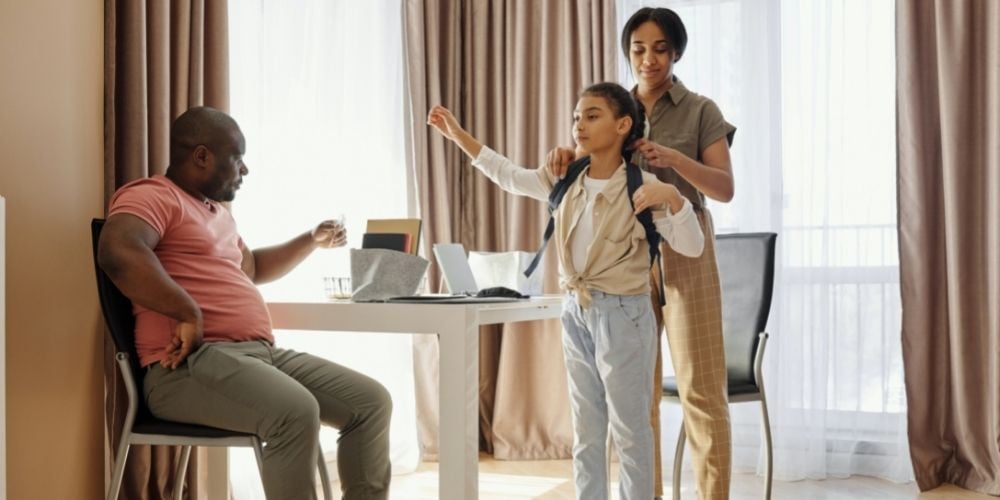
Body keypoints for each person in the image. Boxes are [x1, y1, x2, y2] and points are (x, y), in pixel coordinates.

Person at [98, 106, 392, 500]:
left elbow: (250, 267)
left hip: (257, 356)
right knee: (295, 411)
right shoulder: (154, 195)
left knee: (369, 403)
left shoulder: (215, 213)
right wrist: (187, 312)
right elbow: (118, 250)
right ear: (202, 156)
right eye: (237, 158)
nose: (245, 170)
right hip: (184, 367)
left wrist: (310, 239)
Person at [427, 82, 704, 500]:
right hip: (576, 311)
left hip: (625, 316)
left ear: (623, 125)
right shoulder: (565, 178)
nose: (579, 125)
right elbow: (509, 177)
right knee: (587, 431)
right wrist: (459, 136)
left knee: (630, 432)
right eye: (577, 116)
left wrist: (674, 197)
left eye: (592, 116)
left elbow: (693, 245)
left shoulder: (642, 186)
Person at [548, 8, 736, 499]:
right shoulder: (613, 108)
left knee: (701, 390)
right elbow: (588, 170)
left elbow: (724, 189)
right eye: (637, 49)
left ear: (676, 52)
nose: (647, 59)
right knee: (638, 398)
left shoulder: (700, 110)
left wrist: (674, 160)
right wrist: (567, 155)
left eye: (658, 49)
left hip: (685, 252)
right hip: (624, 260)